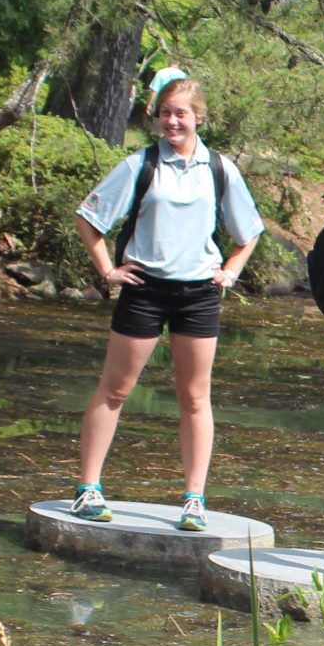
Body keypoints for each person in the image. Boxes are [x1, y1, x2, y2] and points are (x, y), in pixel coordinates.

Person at [67, 75, 263, 532]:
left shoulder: (220, 169)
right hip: (144, 288)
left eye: (182, 113)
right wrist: (106, 271)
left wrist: (230, 272)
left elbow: (248, 232)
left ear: (199, 117)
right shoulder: (140, 164)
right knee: (115, 389)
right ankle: (88, 490)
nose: (172, 121)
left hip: (199, 294)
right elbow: (88, 217)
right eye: (166, 112)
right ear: (156, 116)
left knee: (195, 398)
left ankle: (194, 501)